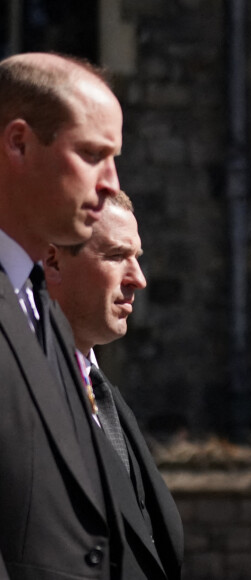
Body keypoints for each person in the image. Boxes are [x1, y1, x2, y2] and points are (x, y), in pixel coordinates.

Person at [0, 52, 180, 579]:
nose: (109, 183)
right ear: (18, 143)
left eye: (114, 158)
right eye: (92, 154)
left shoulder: (43, 316)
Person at [44, 191, 183, 579]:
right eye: (117, 256)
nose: (138, 278)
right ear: (53, 261)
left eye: (137, 257)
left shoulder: (106, 396)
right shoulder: (24, 395)